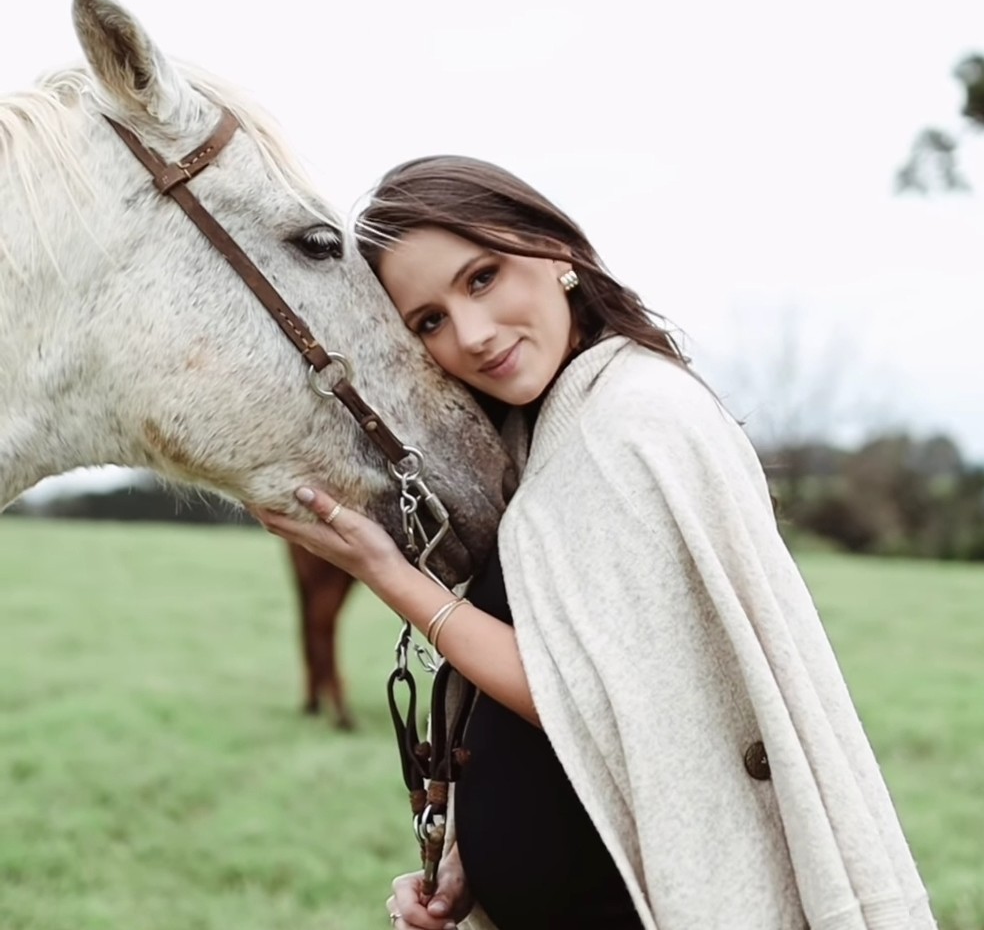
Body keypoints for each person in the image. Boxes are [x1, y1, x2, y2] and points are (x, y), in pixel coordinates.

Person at [252, 156, 936, 930]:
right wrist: (471, 852)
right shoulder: (540, 439)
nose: (471, 335)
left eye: (482, 277)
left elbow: (589, 697)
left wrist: (390, 576)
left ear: (554, 252)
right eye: (429, 321)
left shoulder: (637, 420)